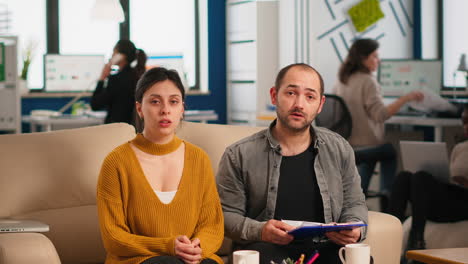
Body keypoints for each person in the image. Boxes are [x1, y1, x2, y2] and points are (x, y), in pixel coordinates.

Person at [217, 63, 368, 264]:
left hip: (325, 249)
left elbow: (355, 202)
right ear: (274, 95)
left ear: (320, 104)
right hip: (267, 249)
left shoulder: (339, 148)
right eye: (290, 93)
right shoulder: (239, 155)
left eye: (310, 96)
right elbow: (225, 216)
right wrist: (260, 231)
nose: (299, 104)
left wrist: (354, 229)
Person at [96, 67, 224, 264]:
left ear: (182, 109)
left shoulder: (199, 159)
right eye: (155, 101)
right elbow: (114, 238)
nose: (165, 109)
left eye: (173, 102)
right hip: (138, 260)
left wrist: (197, 248)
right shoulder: (116, 163)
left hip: (192, 260)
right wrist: (168, 246)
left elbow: (212, 226)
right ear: (139, 109)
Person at [333, 38, 424, 197]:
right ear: (363, 59)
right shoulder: (368, 81)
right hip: (364, 146)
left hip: (346, 146)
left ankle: (360, 195)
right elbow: (381, 115)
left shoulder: (342, 80)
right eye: (374, 56)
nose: (378, 61)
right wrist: (406, 98)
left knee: (373, 154)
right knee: (388, 151)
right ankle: (386, 195)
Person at [388, 105, 468, 251]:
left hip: (465, 203)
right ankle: (389, 233)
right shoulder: (460, 148)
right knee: (404, 177)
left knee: (421, 178)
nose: (465, 127)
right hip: (450, 201)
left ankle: (417, 240)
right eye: (464, 122)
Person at [91, 39, 147, 125]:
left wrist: (102, 78)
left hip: (117, 130)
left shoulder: (116, 79)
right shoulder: (138, 76)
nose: (112, 55)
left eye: (114, 52)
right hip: (134, 129)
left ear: (121, 56)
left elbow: (95, 105)